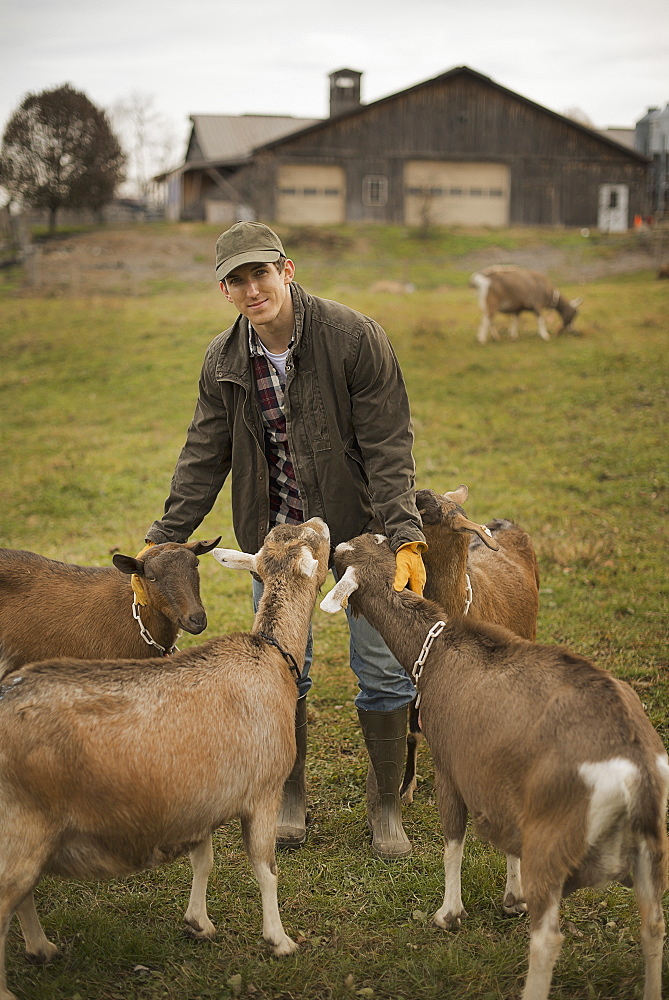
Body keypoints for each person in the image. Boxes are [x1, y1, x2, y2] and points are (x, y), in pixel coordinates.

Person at [145, 221, 426, 859]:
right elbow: (202, 456)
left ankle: (387, 808)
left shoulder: (354, 337)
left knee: (381, 668)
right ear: (225, 289)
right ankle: (289, 795)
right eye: (237, 280)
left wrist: (403, 537)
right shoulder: (223, 361)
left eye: (261, 274)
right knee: (278, 670)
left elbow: (388, 444)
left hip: (362, 524)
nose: (252, 289)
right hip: (278, 534)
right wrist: (164, 540)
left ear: (287, 270)